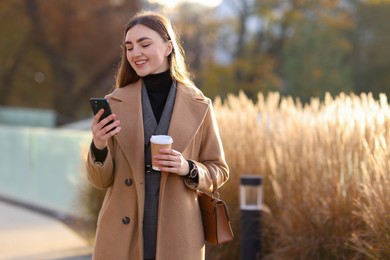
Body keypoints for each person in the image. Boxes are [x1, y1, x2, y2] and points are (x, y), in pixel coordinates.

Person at [86, 10, 229, 260]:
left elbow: (220, 170)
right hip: (122, 232)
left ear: (168, 47)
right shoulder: (114, 103)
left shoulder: (200, 105)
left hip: (180, 233)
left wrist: (188, 168)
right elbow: (100, 180)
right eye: (129, 47)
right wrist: (98, 144)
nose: (135, 53)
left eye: (145, 44)